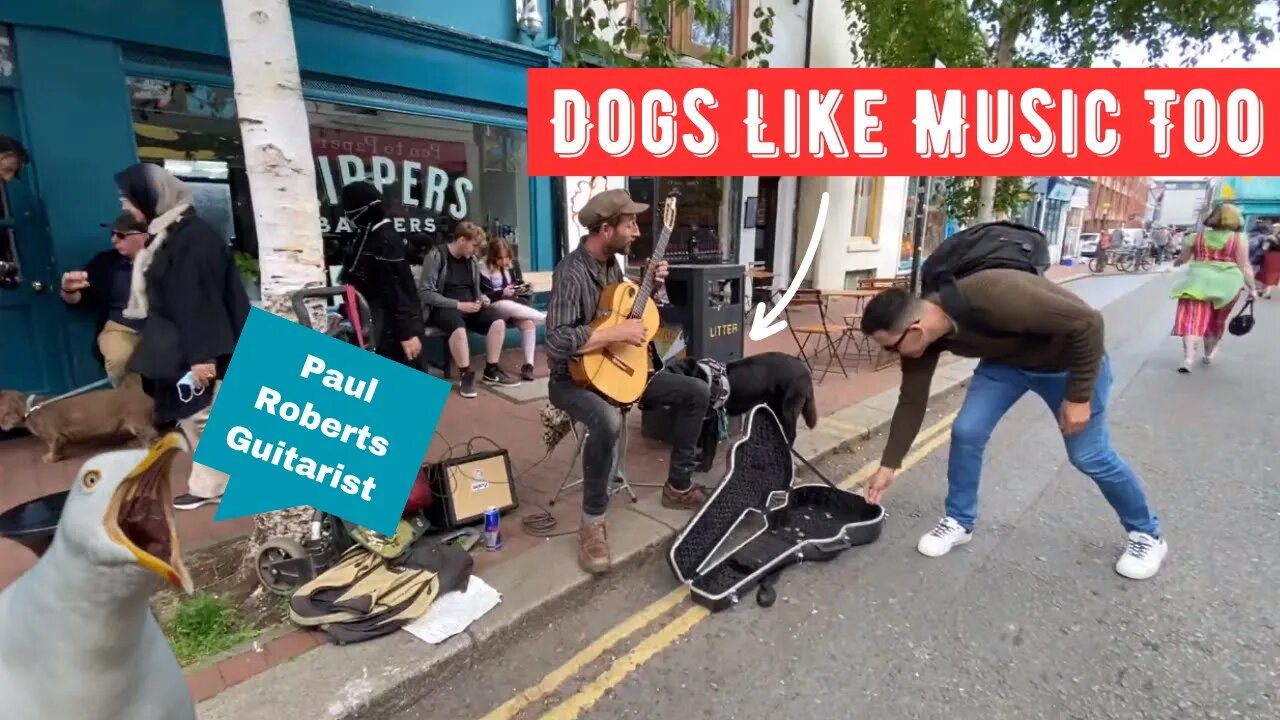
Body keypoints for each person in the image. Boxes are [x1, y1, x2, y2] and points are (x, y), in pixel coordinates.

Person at [858, 270, 1167, 581]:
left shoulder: (996, 295)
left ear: (915, 331)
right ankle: (959, 520)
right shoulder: (924, 342)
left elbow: (1088, 323)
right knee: (967, 431)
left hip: (1067, 366)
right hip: (1005, 366)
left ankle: (1147, 535)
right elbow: (912, 401)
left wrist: (1079, 396)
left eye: (890, 347)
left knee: (1089, 455)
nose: (890, 355)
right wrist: (889, 464)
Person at [545, 189, 711, 575]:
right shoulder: (570, 272)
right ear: (606, 229)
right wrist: (615, 333)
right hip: (573, 379)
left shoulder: (611, 267)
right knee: (607, 420)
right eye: (630, 224)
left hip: (619, 372)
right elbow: (556, 342)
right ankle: (592, 522)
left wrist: (649, 288)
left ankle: (678, 485)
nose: (636, 232)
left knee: (697, 391)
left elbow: (623, 313)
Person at [113, 162, 250, 511]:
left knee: (202, 414)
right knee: (201, 414)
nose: (125, 208)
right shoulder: (174, 234)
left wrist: (202, 357)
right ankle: (217, 482)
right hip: (188, 345)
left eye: (128, 201)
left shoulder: (190, 239)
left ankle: (213, 484)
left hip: (200, 345)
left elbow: (197, 300)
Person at [419, 221, 521, 397]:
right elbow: (426, 293)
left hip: (471, 305)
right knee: (458, 329)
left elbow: (476, 288)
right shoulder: (436, 256)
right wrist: (458, 305)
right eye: (473, 246)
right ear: (461, 240)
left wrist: (482, 298)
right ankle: (465, 375)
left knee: (497, 321)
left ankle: (491, 370)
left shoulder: (471, 260)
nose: (475, 251)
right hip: (445, 306)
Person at [337, 181, 424, 367]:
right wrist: (341, 313)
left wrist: (406, 332)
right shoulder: (366, 235)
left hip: (388, 326)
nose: (347, 215)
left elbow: (396, 289)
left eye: (349, 209)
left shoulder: (384, 240)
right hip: (372, 320)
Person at [58, 213, 151, 386]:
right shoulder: (106, 263)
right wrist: (68, 289)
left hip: (159, 326)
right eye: (112, 234)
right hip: (121, 327)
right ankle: (128, 402)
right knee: (119, 358)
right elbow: (78, 300)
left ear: (144, 236)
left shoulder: (164, 260)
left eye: (121, 235)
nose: (114, 240)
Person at [1169, 203, 1256, 372]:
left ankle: (1188, 359)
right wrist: (1252, 288)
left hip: (1198, 282)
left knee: (1191, 320)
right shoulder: (1239, 239)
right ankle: (1208, 353)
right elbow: (1244, 265)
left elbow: (1183, 258)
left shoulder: (1196, 237)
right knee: (1217, 320)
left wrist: (1176, 262)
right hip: (1228, 285)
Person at [480, 237, 545, 381]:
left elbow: (518, 283)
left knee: (528, 323)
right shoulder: (483, 266)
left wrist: (523, 288)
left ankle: (529, 365)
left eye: (506, 257)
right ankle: (545, 318)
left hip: (514, 305)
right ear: (492, 256)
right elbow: (482, 294)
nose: (504, 261)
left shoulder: (513, 264)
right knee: (505, 306)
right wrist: (502, 292)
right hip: (494, 306)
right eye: (500, 258)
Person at [1256, 223, 1280, 299]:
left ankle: (1261, 290)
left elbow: (1264, 248)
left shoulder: (1270, 237)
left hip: (1269, 256)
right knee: (1274, 274)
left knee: (1265, 272)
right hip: (1278, 257)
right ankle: (1267, 292)